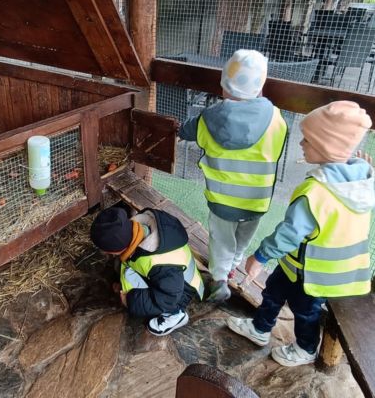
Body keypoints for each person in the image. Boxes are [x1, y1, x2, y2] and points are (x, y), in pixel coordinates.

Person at [227, 101, 374, 366]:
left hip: (315, 274)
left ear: (326, 148)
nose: (301, 143)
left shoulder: (315, 192)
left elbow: (289, 233)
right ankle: (260, 328)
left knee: (305, 311)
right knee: (273, 291)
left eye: (308, 140)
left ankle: (305, 348)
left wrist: (260, 257)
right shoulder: (360, 180)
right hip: (299, 264)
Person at [178, 49, 288, 302]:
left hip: (222, 199)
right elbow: (278, 148)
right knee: (243, 236)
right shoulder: (276, 118)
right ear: (261, 87)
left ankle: (219, 279)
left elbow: (185, 130)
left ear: (224, 85)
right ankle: (234, 265)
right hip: (256, 200)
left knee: (221, 239)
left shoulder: (207, 119)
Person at [90, 206, 204, 336]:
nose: (104, 253)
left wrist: (131, 300)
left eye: (106, 250)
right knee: (124, 269)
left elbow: (169, 297)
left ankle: (175, 315)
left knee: (132, 282)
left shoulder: (158, 262)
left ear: (118, 248)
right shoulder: (137, 228)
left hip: (183, 290)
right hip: (169, 279)